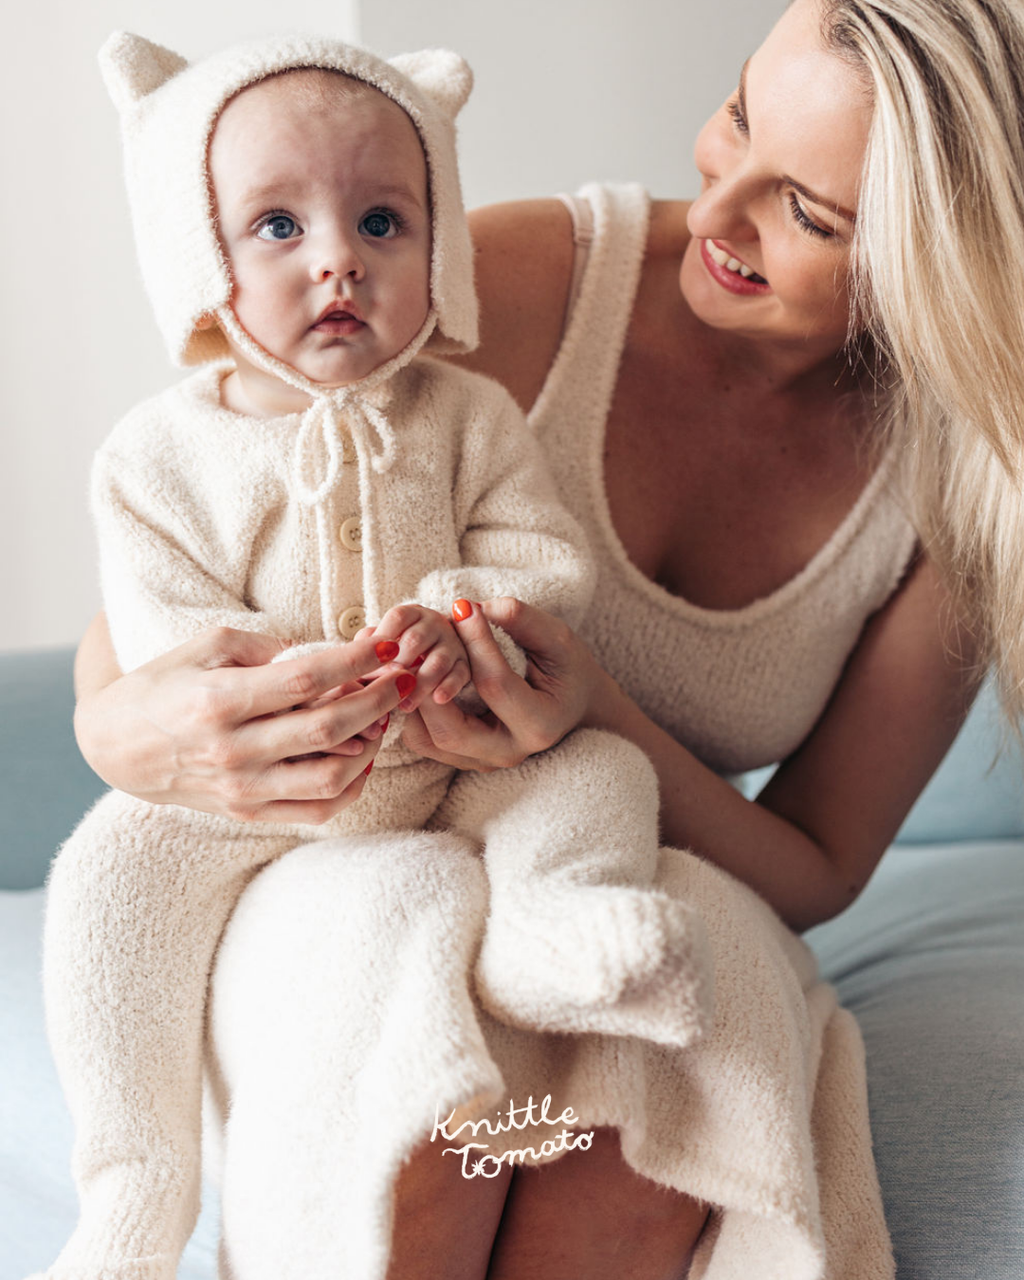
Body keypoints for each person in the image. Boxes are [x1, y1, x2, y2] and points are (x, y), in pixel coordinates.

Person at [69, 0, 1024, 1276]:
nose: (718, 211)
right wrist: (123, 726)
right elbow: (182, 562)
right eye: (736, 116)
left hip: (611, 864)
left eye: (807, 211)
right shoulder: (518, 277)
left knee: (667, 1052)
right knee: (417, 1056)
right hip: (340, 843)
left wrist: (592, 715)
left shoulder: (963, 490)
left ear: (943, 259)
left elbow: (813, 863)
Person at [37, 32, 717, 1280]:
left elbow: (537, 551)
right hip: (262, 798)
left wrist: (466, 607)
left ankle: (553, 923)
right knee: (100, 884)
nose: (340, 255)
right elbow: (153, 621)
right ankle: (131, 1188)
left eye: (383, 220)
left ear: (436, 253)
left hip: (454, 760)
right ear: (199, 261)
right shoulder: (155, 456)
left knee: (601, 773)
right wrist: (234, 678)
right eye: (279, 227)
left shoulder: (467, 417)